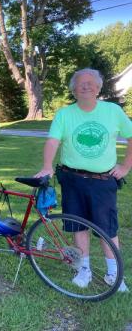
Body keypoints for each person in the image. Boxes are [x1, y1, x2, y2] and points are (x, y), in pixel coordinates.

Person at [35, 68, 132, 292]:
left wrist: (126, 166)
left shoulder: (113, 111)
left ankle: (114, 275)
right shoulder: (64, 114)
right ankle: (84, 270)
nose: (86, 86)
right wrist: (47, 166)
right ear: (73, 90)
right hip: (72, 179)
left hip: (102, 181)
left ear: (98, 88)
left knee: (107, 229)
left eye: (91, 83)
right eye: (80, 83)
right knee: (78, 226)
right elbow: (52, 141)